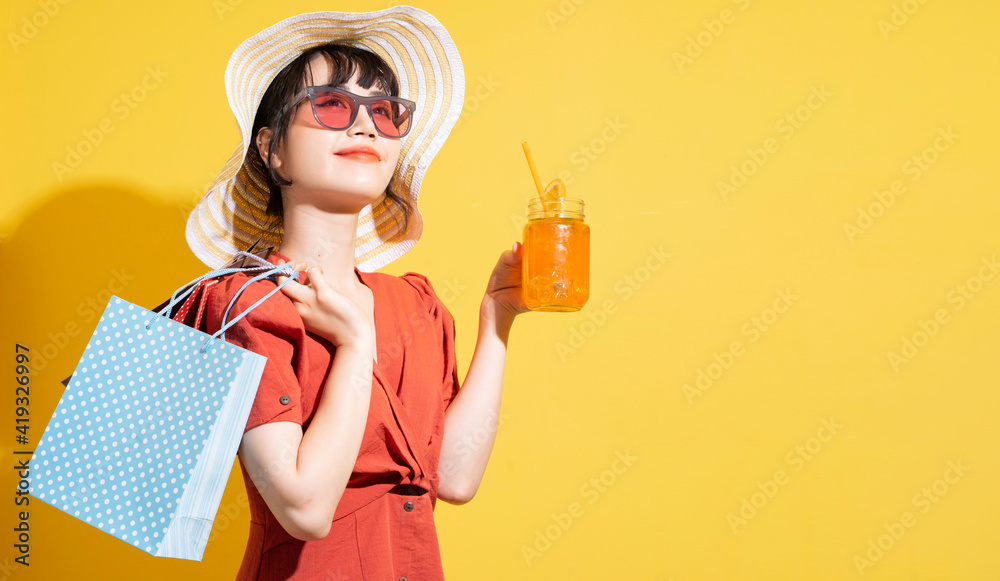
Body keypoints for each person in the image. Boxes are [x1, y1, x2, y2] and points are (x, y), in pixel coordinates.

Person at [180, 8, 526, 580]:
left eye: (386, 114)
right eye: (333, 105)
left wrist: (498, 320)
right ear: (273, 150)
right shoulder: (246, 305)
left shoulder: (415, 305)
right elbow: (305, 508)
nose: (366, 126)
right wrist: (355, 344)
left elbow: (454, 479)